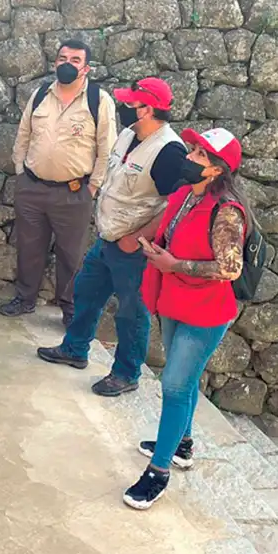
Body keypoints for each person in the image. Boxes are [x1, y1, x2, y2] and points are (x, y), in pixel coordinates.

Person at [36, 78, 189, 397]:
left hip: (133, 247)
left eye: (131, 102)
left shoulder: (169, 151)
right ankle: (75, 349)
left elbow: (174, 205)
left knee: (131, 312)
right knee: (86, 292)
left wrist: (137, 238)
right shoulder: (129, 134)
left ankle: (126, 373)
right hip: (108, 237)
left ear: (147, 108)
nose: (124, 107)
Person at [125, 128, 249, 509]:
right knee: (186, 379)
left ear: (215, 170)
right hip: (175, 301)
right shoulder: (184, 196)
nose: (190, 156)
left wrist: (175, 264)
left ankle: (158, 472)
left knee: (176, 386)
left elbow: (230, 268)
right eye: (193, 149)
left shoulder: (225, 211)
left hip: (204, 312)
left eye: (199, 153)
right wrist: (156, 250)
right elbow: (174, 237)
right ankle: (182, 444)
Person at [1, 40, 117, 327]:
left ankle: (69, 308)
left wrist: (93, 187)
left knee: (71, 255)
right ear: (54, 63)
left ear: (86, 67)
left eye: (75, 59)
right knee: (28, 247)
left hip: (74, 192)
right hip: (32, 187)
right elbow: (24, 134)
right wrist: (21, 170)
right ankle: (25, 298)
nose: (67, 63)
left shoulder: (98, 100)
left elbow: (107, 148)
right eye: (62, 58)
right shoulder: (41, 94)